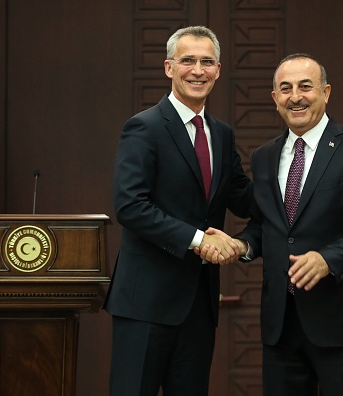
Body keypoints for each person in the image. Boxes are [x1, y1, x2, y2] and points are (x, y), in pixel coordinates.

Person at [200, 53, 343, 395]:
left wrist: (328, 259)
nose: (296, 96)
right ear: (275, 98)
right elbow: (268, 224)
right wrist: (243, 245)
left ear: (325, 92)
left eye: (305, 86)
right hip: (281, 325)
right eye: (286, 88)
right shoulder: (264, 156)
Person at [103, 26, 252, 396]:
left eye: (206, 62)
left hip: (199, 305)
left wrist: (292, 174)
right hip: (146, 304)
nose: (197, 70)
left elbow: (243, 198)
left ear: (218, 70)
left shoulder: (222, 134)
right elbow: (130, 206)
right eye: (188, 61)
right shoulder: (144, 127)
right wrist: (198, 240)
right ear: (169, 67)